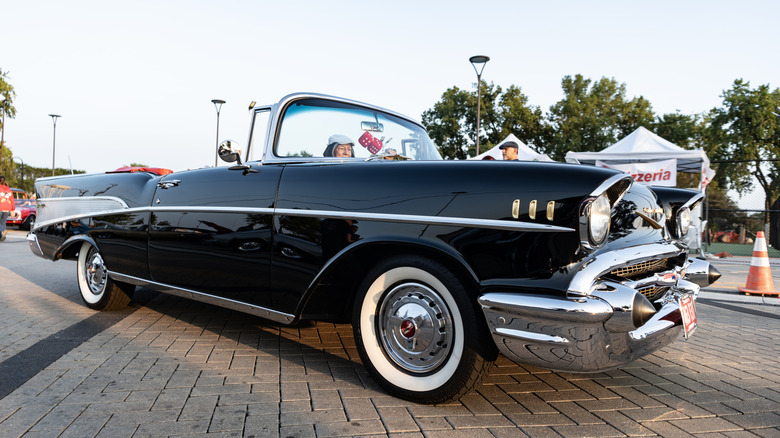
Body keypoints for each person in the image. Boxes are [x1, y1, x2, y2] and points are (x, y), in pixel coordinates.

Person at [0, 176, 13, 242]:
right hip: (7, 207)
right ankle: (2, 235)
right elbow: (12, 200)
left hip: (0, 207)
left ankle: (3, 231)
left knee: (1, 223)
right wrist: (13, 209)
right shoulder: (8, 189)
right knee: (3, 222)